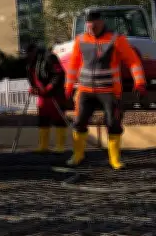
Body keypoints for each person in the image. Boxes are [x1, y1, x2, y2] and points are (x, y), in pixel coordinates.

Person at [63, 10, 146, 169]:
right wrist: (68, 88)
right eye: (89, 24)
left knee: (113, 123)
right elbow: (72, 67)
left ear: (101, 22)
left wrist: (140, 82)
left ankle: (114, 159)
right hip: (85, 91)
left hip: (109, 91)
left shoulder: (116, 39)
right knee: (79, 122)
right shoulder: (80, 40)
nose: (91, 27)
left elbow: (133, 61)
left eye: (94, 23)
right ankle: (78, 155)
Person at [25, 42, 68, 153]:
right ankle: (43, 146)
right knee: (43, 120)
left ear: (35, 51)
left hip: (54, 94)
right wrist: (34, 87)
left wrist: (49, 88)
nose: (28, 55)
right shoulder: (30, 62)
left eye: (30, 53)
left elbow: (59, 74)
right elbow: (32, 76)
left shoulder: (49, 57)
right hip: (42, 95)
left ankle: (60, 146)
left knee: (58, 119)